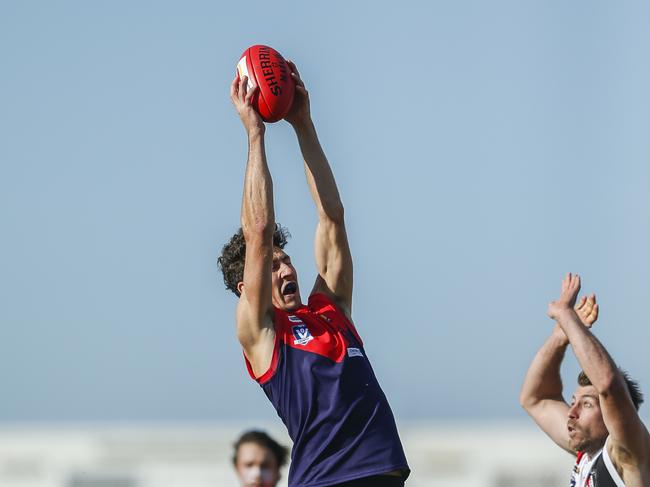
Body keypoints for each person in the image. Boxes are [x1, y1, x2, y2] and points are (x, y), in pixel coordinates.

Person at [218, 61, 410, 487]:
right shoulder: (261, 332)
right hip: (329, 480)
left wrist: (303, 124)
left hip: (385, 472)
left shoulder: (330, 309)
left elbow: (332, 219)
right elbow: (258, 231)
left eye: (285, 259)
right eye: (271, 264)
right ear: (246, 288)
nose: (286, 267)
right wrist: (256, 134)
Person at [520, 273, 650, 486]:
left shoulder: (626, 454)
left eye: (587, 404)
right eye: (573, 403)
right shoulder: (587, 452)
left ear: (611, 415)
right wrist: (560, 337)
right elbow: (535, 399)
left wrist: (567, 317)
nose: (572, 413)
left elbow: (608, 385)